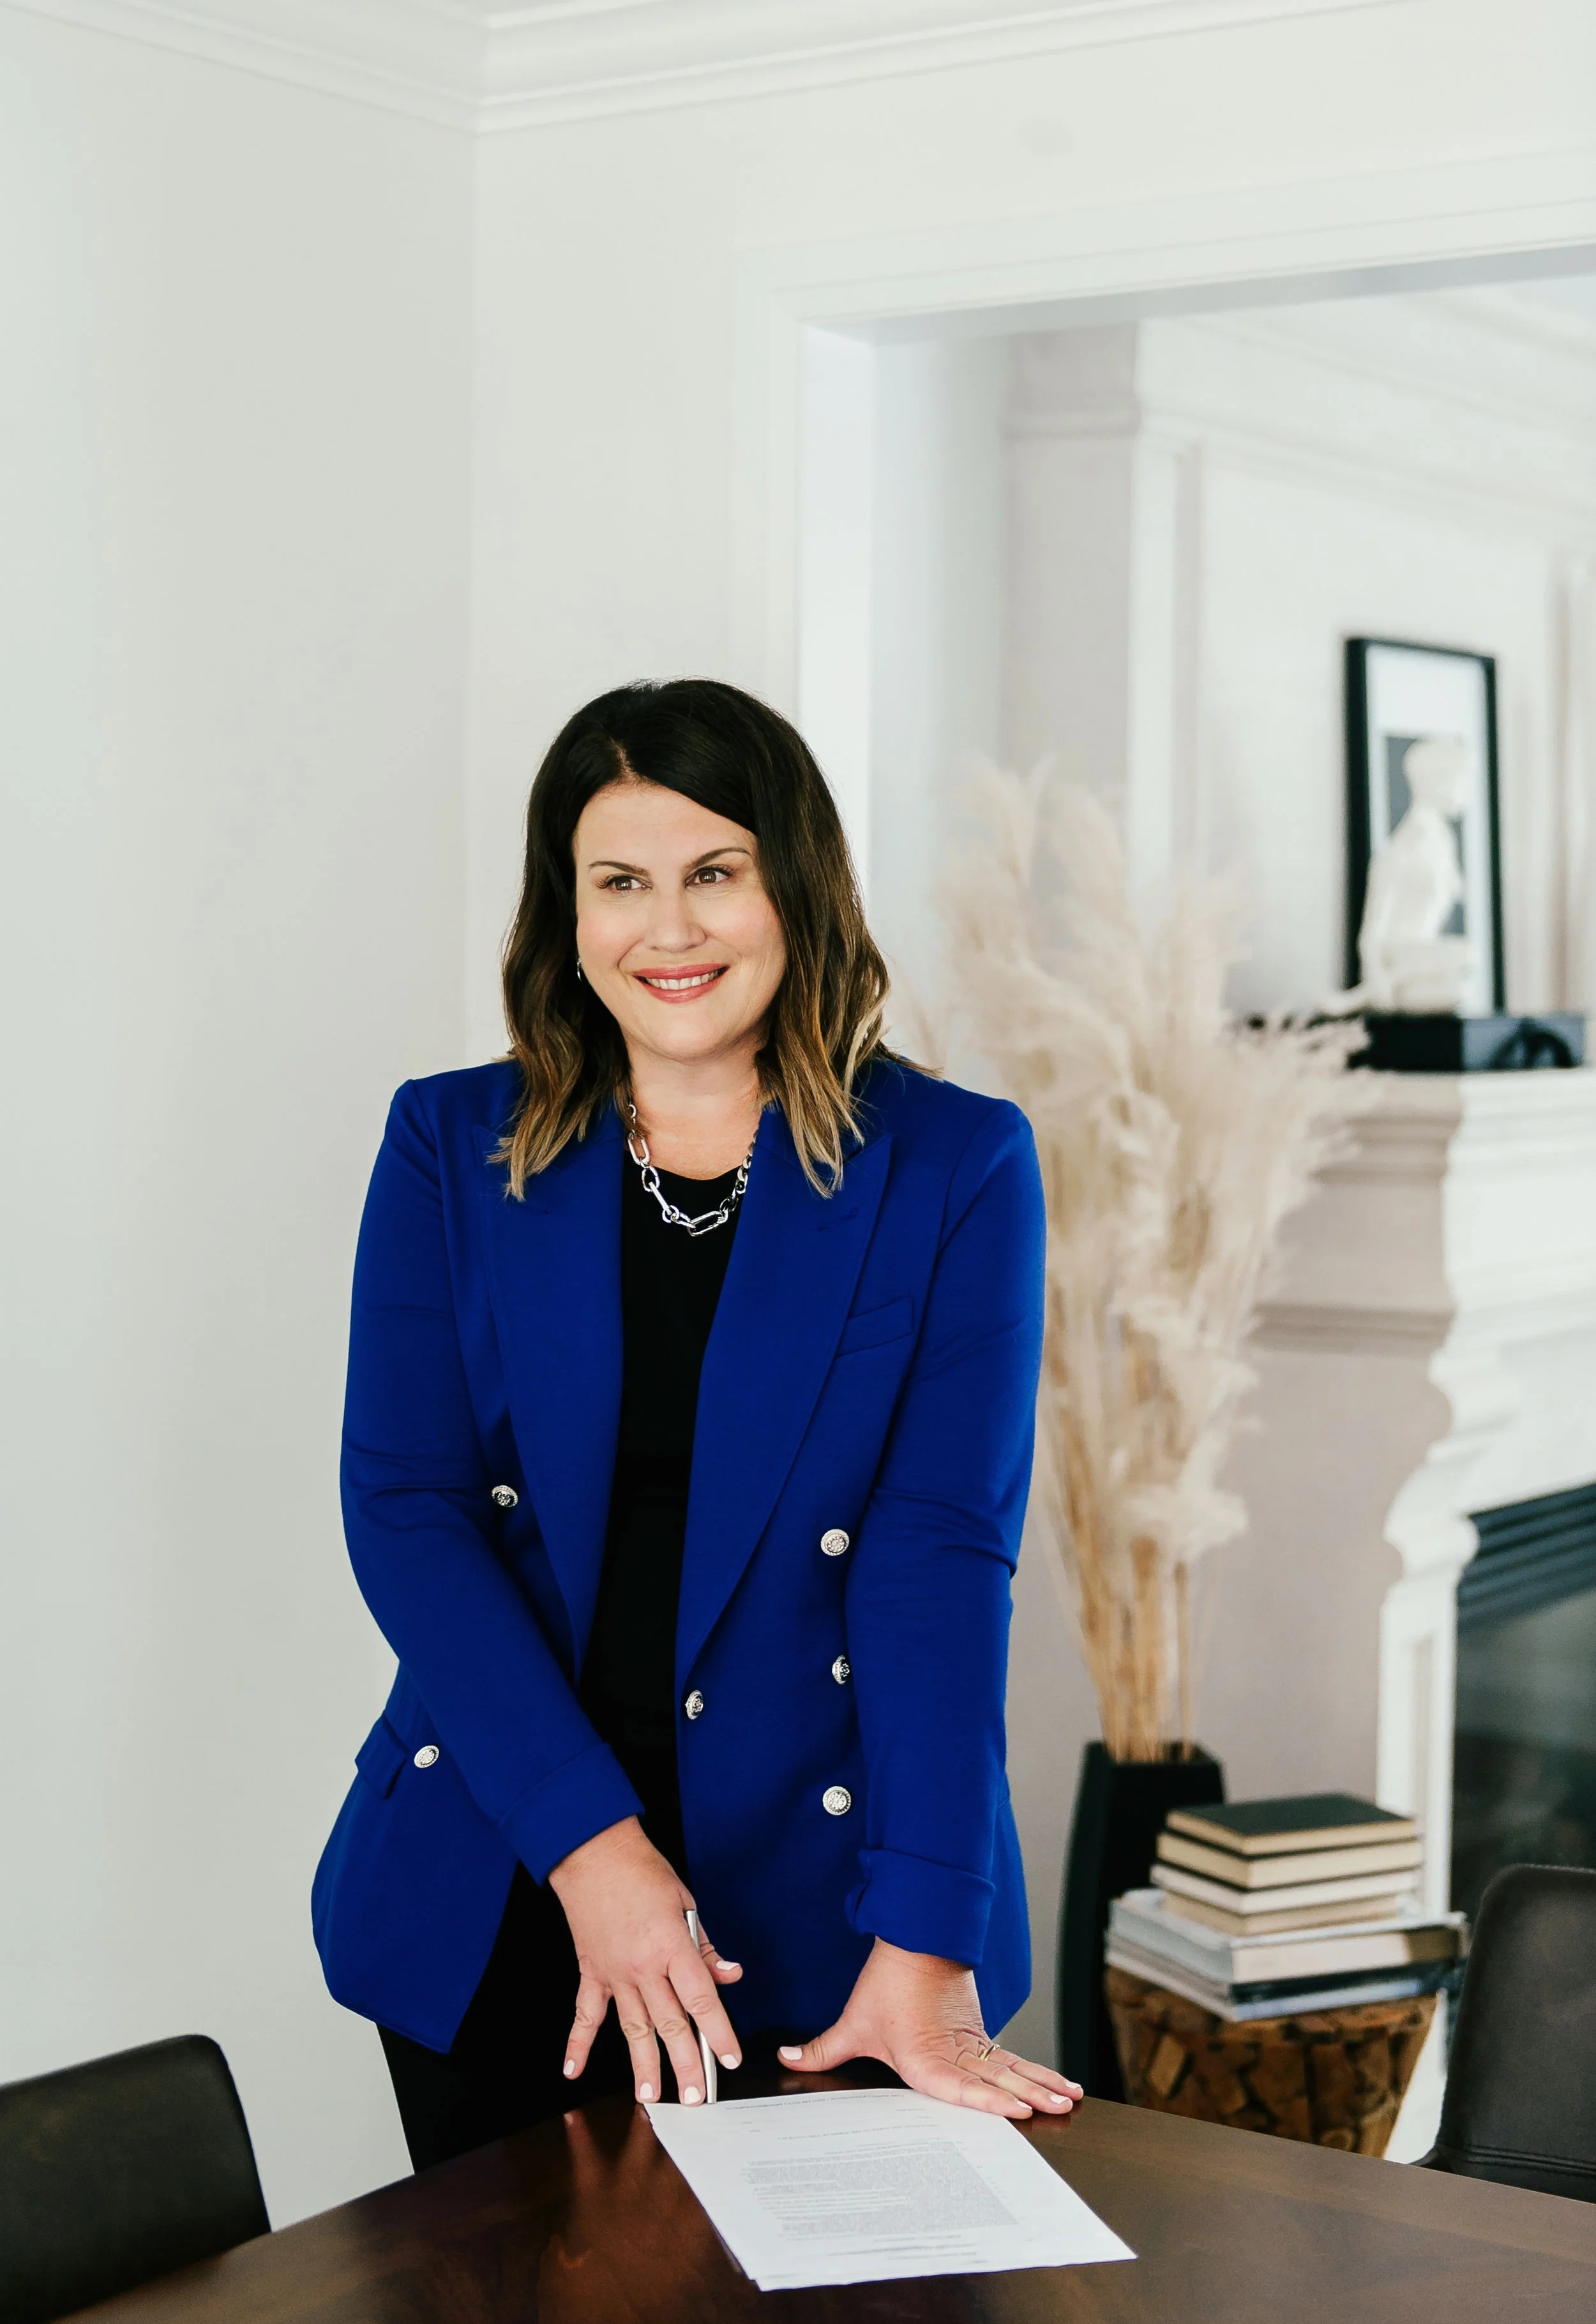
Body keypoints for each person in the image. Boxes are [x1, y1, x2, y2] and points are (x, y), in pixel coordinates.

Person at [312, 678, 1078, 2170]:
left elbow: (934, 1557)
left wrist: (926, 1926)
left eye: (714, 871)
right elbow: (408, 1509)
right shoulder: (447, 1144)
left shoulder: (954, 1163)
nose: (668, 929)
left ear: (795, 887)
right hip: (506, 1871)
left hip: (829, 1912)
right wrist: (588, 1847)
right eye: (619, 882)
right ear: (566, 913)